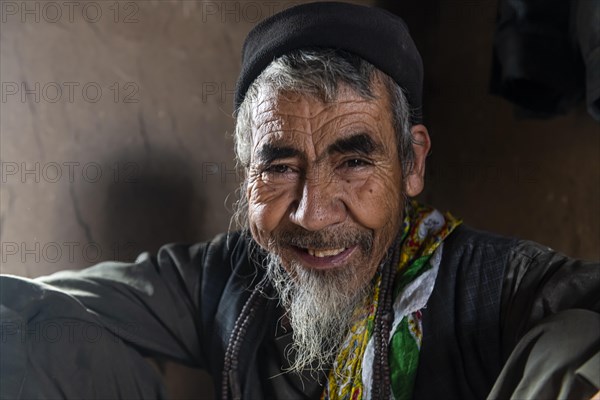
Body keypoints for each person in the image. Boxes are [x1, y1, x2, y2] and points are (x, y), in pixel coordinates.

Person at [1, 2, 598, 399]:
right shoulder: (224, 276)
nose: (314, 214)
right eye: (281, 167)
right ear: (247, 175)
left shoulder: (497, 284)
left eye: (355, 161)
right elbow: (29, 307)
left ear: (412, 162)